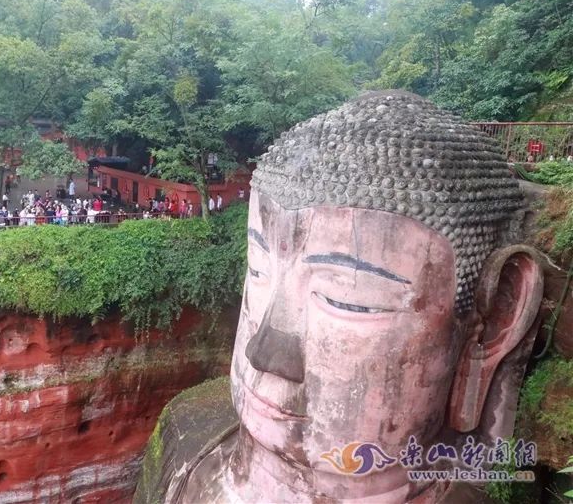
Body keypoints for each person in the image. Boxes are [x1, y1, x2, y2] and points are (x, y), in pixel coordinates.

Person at [136, 91, 544, 504]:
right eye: (257, 270)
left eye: (347, 299)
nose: (263, 352)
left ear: (493, 323)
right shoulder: (184, 440)